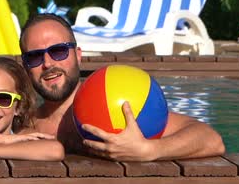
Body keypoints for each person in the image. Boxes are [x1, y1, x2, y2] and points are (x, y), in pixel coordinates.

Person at [19, 13, 225, 161]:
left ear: (78, 56)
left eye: (59, 51)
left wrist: (150, 150)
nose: (47, 63)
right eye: (34, 56)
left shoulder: (112, 102)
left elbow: (211, 140)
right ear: (25, 66)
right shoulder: (23, 124)